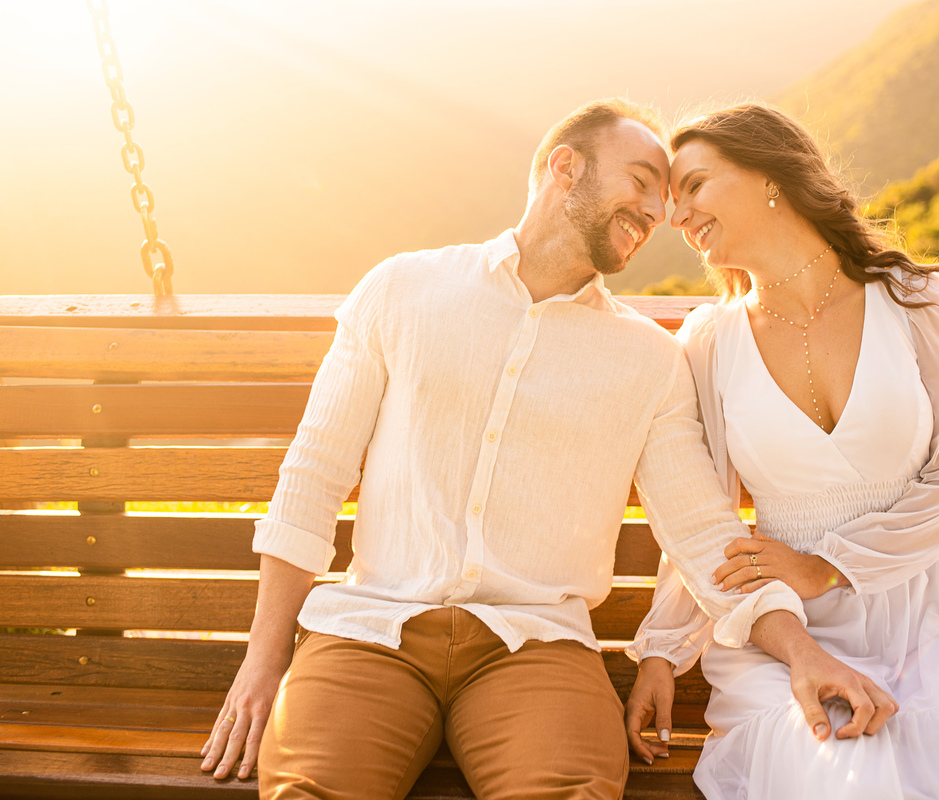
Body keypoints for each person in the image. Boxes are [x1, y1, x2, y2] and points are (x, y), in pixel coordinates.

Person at [197, 98, 896, 799]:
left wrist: (803, 655)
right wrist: (263, 662)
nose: (659, 211)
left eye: (670, 195)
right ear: (566, 168)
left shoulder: (648, 361)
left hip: (534, 650)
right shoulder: (401, 291)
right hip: (372, 630)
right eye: (643, 181)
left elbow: (705, 536)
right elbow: (313, 476)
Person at [623, 103, 939, 799]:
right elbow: (700, 518)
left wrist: (831, 565)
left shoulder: (915, 302)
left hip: (934, 611)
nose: (679, 214)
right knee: (844, 777)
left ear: (770, 177)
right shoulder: (709, 341)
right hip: (786, 625)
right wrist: (663, 653)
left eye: (695, 185)